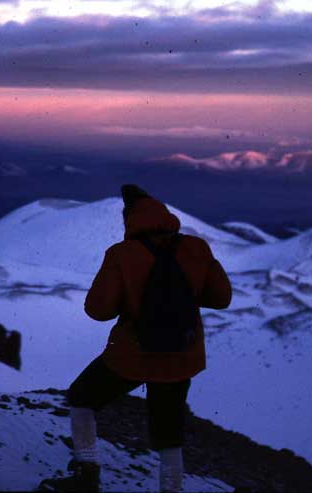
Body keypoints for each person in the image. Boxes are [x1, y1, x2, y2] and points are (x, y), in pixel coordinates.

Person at [39, 185, 232, 492]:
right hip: (182, 355)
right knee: (169, 429)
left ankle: (86, 474)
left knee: (82, 397)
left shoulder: (122, 254)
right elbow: (221, 298)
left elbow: (98, 310)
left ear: (130, 219)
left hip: (132, 355)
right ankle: (171, 490)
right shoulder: (197, 248)